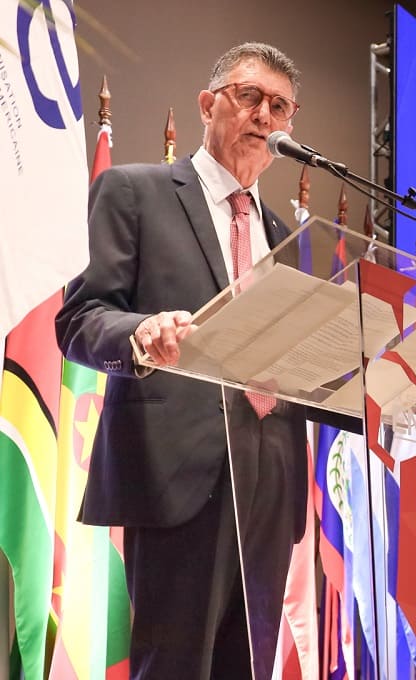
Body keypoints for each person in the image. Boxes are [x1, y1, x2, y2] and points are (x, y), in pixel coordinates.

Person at [57, 42, 321, 679]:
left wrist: (388, 397)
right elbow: (80, 319)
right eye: (249, 96)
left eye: (280, 107)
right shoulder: (135, 191)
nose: (265, 115)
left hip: (270, 481)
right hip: (178, 472)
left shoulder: (285, 233)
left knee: (243, 668)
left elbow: (301, 364)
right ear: (209, 104)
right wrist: (143, 331)